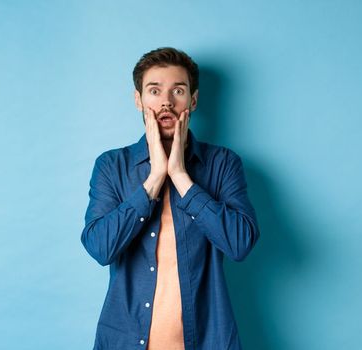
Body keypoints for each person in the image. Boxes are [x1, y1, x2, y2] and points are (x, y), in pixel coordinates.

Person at [80, 47, 260, 350]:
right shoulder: (112, 166)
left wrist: (180, 177)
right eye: (154, 90)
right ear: (139, 100)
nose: (166, 101)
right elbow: (100, 248)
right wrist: (154, 180)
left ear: (194, 100)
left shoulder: (223, 164)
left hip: (206, 341)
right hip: (124, 341)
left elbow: (240, 244)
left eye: (178, 90)